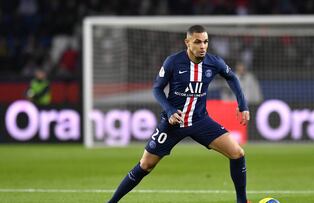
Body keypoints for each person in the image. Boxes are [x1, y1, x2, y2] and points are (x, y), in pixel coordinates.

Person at [107, 25, 251, 203]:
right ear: (187, 43)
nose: (202, 46)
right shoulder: (173, 62)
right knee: (146, 164)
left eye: (205, 42)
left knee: (237, 153)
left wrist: (242, 105)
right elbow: (157, 89)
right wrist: (169, 110)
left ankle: (242, 201)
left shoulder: (214, 62)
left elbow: (232, 77)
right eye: (197, 42)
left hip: (200, 121)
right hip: (173, 123)